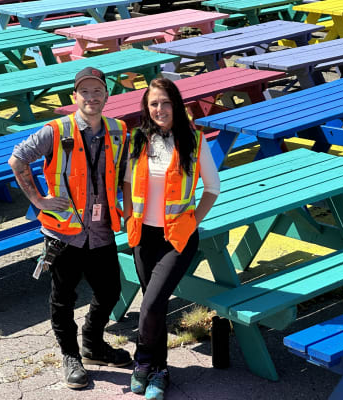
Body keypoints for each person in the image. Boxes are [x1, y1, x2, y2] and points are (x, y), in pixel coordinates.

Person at [8, 67, 131, 390]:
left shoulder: (119, 130)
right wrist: (38, 200)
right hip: (64, 234)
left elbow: (128, 175)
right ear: (74, 96)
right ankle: (70, 355)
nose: (91, 97)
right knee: (63, 298)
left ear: (107, 95)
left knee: (110, 292)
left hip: (102, 229)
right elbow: (17, 160)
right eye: (85, 92)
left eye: (97, 91)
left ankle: (92, 343)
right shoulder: (55, 130)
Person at [122, 78, 220, 400]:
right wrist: (128, 216)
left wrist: (192, 222)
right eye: (153, 104)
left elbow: (213, 188)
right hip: (141, 236)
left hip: (176, 238)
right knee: (155, 307)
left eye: (165, 102)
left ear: (176, 104)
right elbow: (126, 182)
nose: (160, 109)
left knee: (150, 304)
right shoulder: (137, 139)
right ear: (146, 108)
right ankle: (159, 370)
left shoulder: (194, 140)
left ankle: (143, 361)